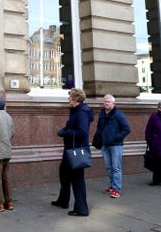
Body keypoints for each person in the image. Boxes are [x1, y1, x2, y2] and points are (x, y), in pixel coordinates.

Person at [51, 88, 94, 216]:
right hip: (70, 149)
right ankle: (63, 200)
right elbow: (73, 127)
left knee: (77, 179)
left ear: (75, 99)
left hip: (76, 151)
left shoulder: (81, 112)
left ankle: (81, 209)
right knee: (64, 174)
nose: (68, 98)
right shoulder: (76, 111)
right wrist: (65, 129)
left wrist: (65, 132)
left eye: (70, 97)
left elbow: (82, 132)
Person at [93, 94, 130, 198]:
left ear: (114, 103)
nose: (106, 103)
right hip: (105, 144)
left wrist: (116, 138)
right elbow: (99, 128)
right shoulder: (102, 113)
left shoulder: (118, 114)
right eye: (105, 101)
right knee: (109, 167)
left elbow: (126, 129)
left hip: (116, 145)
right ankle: (112, 185)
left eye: (108, 102)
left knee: (116, 168)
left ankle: (116, 189)